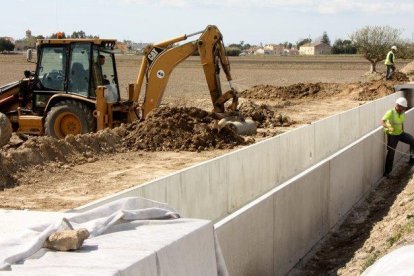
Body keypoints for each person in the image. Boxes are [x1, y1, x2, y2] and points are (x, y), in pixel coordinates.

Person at [382, 97, 414, 178]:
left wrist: (403, 131)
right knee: (391, 153)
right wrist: (389, 128)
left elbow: (401, 123)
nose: (404, 109)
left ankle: (412, 160)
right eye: (403, 107)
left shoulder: (402, 113)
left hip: (400, 134)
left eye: (404, 108)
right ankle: (387, 173)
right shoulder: (391, 112)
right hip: (392, 135)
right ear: (398, 106)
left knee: (412, 140)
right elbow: (383, 121)